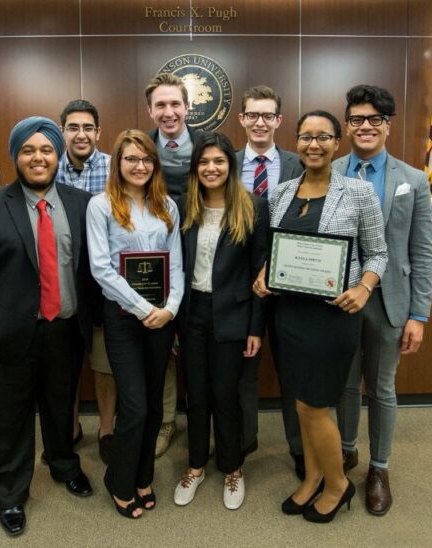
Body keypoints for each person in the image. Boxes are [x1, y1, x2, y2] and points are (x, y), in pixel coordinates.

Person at [0, 117, 94, 536]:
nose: (38, 158)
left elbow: (88, 271)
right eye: (28, 150)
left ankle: (64, 464)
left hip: (64, 330)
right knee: (7, 419)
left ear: (58, 154)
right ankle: (10, 493)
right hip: (4, 337)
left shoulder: (82, 203)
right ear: (15, 156)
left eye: (46, 149)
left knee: (59, 406)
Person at [253, 110, 387, 523]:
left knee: (315, 407)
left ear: (336, 142)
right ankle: (312, 479)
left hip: (333, 316)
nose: (314, 144)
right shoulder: (279, 194)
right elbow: (274, 249)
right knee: (300, 403)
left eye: (323, 137)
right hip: (289, 315)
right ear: (296, 142)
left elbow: (378, 253)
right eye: (306, 137)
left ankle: (338, 485)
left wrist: (364, 287)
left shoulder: (359, 192)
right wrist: (264, 272)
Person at [334, 84, 432, 516]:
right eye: (357, 119)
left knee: (382, 388)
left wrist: (419, 314)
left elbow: (422, 250)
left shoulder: (412, 180)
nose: (365, 127)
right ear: (347, 125)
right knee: (343, 383)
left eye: (374, 119)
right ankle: (345, 451)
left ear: (388, 126)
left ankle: (379, 468)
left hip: (389, 301)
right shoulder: (330, 171)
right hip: (337, 300)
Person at [86, 129, 183, 518]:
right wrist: (144, 307)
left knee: (156, 406)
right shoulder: (101, 205)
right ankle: (119, 481)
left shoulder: (167, 206)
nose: (140, 166)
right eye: (131, 159)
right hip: (124, 319)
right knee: (136, 406)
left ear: (154, 164)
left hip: (163, 320)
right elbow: (101, 269)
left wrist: (171, 308)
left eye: (146, 159)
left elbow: (175, 261)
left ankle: (143, 477)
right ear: (118, 163)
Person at [173, 132, 269, 511]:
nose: (211, 168)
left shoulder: (253, 207)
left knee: (227, 397)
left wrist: (255, 328)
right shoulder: (183, 206)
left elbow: (262, 274)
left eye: (219, 161)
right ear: (195, 168)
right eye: (204, 162)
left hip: (234, 316)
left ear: (231, 165)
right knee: (196, 395)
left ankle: (232, 467)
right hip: (192, 313)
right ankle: (196, 465)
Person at [235, 85, 304, 470]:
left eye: (267, 115)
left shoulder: (300, 164)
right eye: (252, 115)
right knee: (244, 371)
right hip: (240, 288)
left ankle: (298, 447)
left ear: (278, 120)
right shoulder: (223, 163)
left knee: (291, 371)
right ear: (242, 119)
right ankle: (244, 446)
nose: (259, 122)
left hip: (290, 286)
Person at [145, 73, 205, 456]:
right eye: (160, 105)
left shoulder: (211, 146)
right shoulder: (141, 148)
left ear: (187, 107)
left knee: (200, 346)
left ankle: (203, 423)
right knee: (162, 347)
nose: (169, 112)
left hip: (203, 255)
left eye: (175, 104)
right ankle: (166, 420)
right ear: (150, 111)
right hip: (156, 259)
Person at [56, 99, 115, 464]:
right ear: (62, 131)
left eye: (87, 128)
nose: (81, 134)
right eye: (73, 127)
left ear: (98, 131)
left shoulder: (115, 168)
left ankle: (107, 427)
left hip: (104, 281)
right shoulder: (46, 165)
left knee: (103, 361)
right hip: (61, 278)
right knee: (65, 362)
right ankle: (70, 425)